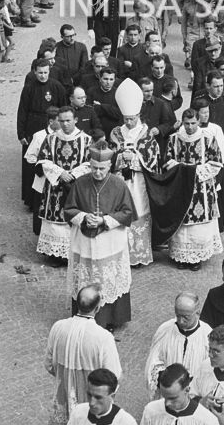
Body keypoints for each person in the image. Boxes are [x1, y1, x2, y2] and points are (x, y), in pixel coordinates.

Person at [40, 285, 122, 425]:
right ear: (98, 307)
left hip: (62, 399)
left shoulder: (58, 328)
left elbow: (48, 364)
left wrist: (65, 379)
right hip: (90, 403)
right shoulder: (103, 337)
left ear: (77, 303)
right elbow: (113, 376)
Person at [64, 148, 135, 330]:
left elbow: (127, 212)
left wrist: (104, 220)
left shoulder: (119, 185)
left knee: (107, 278)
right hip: (85, 241)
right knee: (86, 277)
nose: (97, 172)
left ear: (110, 166)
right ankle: (83, 314)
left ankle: (110, 318)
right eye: (94, 168)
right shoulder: (80, 183)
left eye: (102, 169)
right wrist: (84, 217)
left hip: (109, 240)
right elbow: (69, 209)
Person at [109, 79, 162, 268]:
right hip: (120, 181)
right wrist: (120, 156)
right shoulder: (116, 132)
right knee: (119, 211)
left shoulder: (147, 135)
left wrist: (135, 158)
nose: (128, 122)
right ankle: (120, 253)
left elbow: (154, 158)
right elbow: (109, 156)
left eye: (131, 118)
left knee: (139, 212)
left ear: (138, 114)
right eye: (126, 119)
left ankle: (138, 255)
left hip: (139, 182)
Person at [27, 107, 92, 261]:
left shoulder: (86, 139)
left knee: (75, 218)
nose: (65, 124)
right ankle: (55, 256)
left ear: (75, 120)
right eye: (61, 121)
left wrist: (73, 174)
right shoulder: (51, 139)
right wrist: (60, 173)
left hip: (76, 186)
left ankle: (75, 254)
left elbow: (90, 162)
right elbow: (43, 160)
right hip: (55, 187)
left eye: (68, 120)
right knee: (55, 221)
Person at [165, 107, 224, 267]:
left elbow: (216, 162)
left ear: (199, 121)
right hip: (180, 186)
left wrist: (195, 171)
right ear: (182, 122)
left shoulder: (208, 139)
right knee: (181, 223)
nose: (189, 127)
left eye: (192, 123)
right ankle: (181, 257)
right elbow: (167, 160)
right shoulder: (174, 139)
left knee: (199, 226)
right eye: (186, 123)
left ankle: (197, 258)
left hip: (201, 188)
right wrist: (181, 169)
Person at [18, 59, 66, 208]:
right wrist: (21, 134)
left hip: (52, 126)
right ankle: (31, 199)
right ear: (35, 72)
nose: (43, 76)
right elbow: (22, 111)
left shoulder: (57, 87)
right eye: (40, 73)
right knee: (31, 163)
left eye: (45, 72)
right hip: (33, 126)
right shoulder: (29, 88)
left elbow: (64, 108)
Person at [145, 292, 212, 397]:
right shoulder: (165, 330)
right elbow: (154, 361)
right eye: (178, 315)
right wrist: (165, 377)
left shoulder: (207, 335)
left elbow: (211, 368)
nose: (181, 321)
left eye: (186, 317)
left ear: (197, 313)